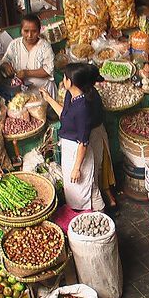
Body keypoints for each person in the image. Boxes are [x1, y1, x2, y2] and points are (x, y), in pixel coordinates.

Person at [39, 63, 104, 211]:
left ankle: (98, 218)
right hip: (70, 150)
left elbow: (83, 142)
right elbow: (65, 116)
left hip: (78, 153)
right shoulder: (72, 96)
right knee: (79, 190)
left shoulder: (82, 108)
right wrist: (48, 98)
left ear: (70, 82)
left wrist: (76, 168)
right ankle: (87, 217)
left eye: (65, 77)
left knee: (86, 190)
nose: (62, 80)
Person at [84, 64, 117, 209]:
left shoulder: (87, 97)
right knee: (104, 167)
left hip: (95, 135)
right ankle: (110, 198)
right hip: (100, 132)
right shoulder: (93, 92)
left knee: (95, 169)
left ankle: (101, 206)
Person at [0, 14, 57, 99]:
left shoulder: (45, 46)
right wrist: (6, 66)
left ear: (39, 31)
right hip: (22, 94)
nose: (30, 35)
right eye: (26, 31)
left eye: (34, 31)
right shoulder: (14, 44)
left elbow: (48, 70)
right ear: (21, 30)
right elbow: (5, 61)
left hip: (44, 93)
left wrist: (27, 73)